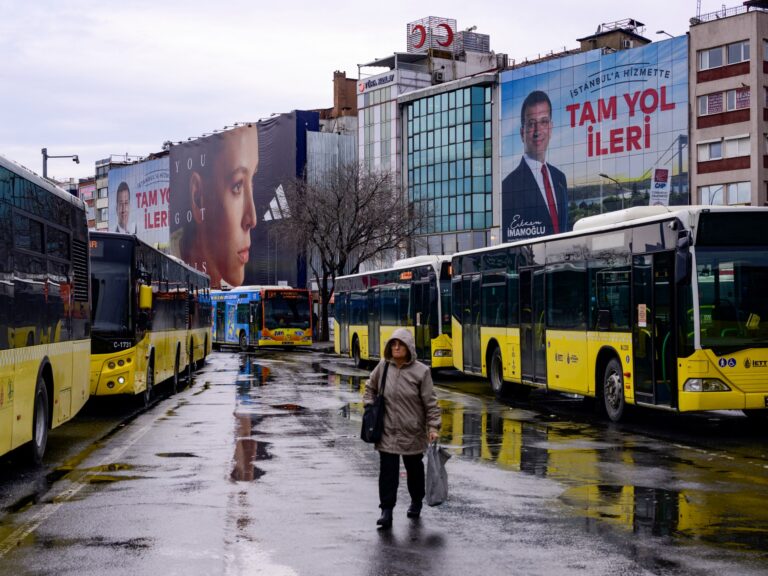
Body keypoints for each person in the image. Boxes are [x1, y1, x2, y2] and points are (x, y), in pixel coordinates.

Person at [363, 328, 441, 529]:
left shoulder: (421, 372)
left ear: (409, 347)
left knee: (414, 470)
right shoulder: (383, 367)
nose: (396, 348)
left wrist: (433, 427)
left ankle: (416, 501)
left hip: (412, 431)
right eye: (393, 344)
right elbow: (370, 387)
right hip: (387, 431)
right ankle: (386, 511)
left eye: (400, 344)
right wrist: (369, 406)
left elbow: (430, 403)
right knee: (388, 472)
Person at [173, 126, 259, 288]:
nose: (252, 219)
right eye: (237, 186)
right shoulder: (168, 264)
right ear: (198, 198)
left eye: (252, 180)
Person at [501, 90, 568, 240]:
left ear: (550, 128)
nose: (538, 131)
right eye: (531, 124)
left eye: (544, 122)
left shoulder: (560, 178)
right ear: (522, 133)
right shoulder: (508, 188)